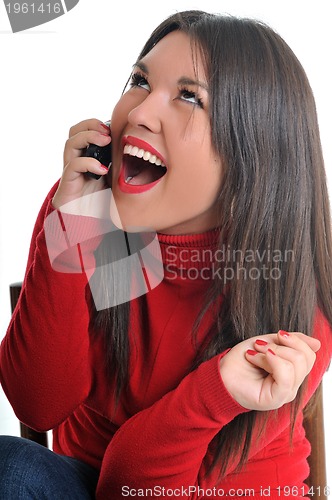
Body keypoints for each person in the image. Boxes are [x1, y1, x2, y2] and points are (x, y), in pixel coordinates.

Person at [0, 9, 331, 500]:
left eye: (189, 96)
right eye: (139, 80)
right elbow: (38, 406)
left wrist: (213, 391)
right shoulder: (93, 216)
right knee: (12, 467)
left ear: (253, 150)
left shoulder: (289, 283)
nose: (138, 113)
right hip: (86, 482)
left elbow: (132, 490)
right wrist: (69, 226)